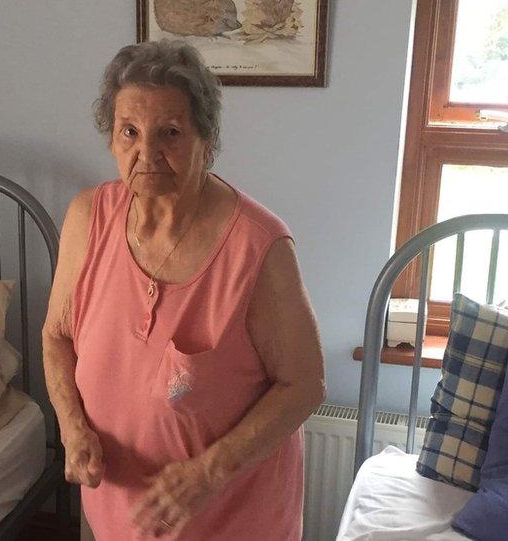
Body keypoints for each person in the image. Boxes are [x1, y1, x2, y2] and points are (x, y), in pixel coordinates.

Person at [42, 40, 326, 540]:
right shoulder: (87, 218)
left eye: (169, 133)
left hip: (233, 521)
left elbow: (303, 385)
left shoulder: (259, 247)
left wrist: (209, 472)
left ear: (205, 140)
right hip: (120, 517)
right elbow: (57, 337)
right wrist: (72, 426)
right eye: (129, 132)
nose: (145, 153)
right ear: (111, 138)